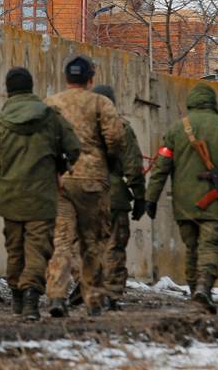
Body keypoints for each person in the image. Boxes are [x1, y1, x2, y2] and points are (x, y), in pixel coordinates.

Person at [145, 82, 218, 314]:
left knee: (192, 247)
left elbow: (161, 167)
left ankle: (196, 292)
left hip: (183, 203)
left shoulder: (176, 130)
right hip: (213, 201)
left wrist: (151, 199)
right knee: (211, 245)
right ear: (212, 103)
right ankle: (203, 289)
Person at [0, 66, 80, 321]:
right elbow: (74, 148)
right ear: (30, 87)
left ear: (8, 89)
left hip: (11, 196)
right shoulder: (51, 118)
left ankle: (17, 294)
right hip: (43, 196)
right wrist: (60, 165)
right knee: (37, 250)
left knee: (15, 249)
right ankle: (30, 301)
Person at [43, 55, 125, 317]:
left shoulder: (51, 104)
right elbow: (115, 136)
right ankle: (92, 298)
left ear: (66, 78)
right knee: (93, 241)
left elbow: (43, 139)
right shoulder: (100, 102)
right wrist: (108, 161)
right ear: (90, 79)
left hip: (61, 180)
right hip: (93, 180)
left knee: (62, 241)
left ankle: (56, 296)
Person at [92, 85, 145, 310]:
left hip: (85, 194)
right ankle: (110, 295)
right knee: (114, 246)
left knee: (88, 246)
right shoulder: (121, 127)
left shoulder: (81, 127)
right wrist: (140, 195)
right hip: (115, 196)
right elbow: (132, 165)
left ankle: (87, 290)